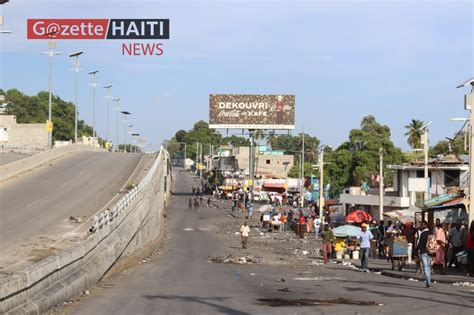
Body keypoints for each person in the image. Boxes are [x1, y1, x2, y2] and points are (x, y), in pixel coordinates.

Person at [416, 220, 433, 288]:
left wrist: (416, 250)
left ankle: (428, 282)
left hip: (423, 252)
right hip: (430, 252)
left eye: (422, 225)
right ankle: (428, 282)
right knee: (428, 267)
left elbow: (420, 243)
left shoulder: (423, 233)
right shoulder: (431, 232)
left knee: (425, 267)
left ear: (426, 225)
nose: (421, 226)